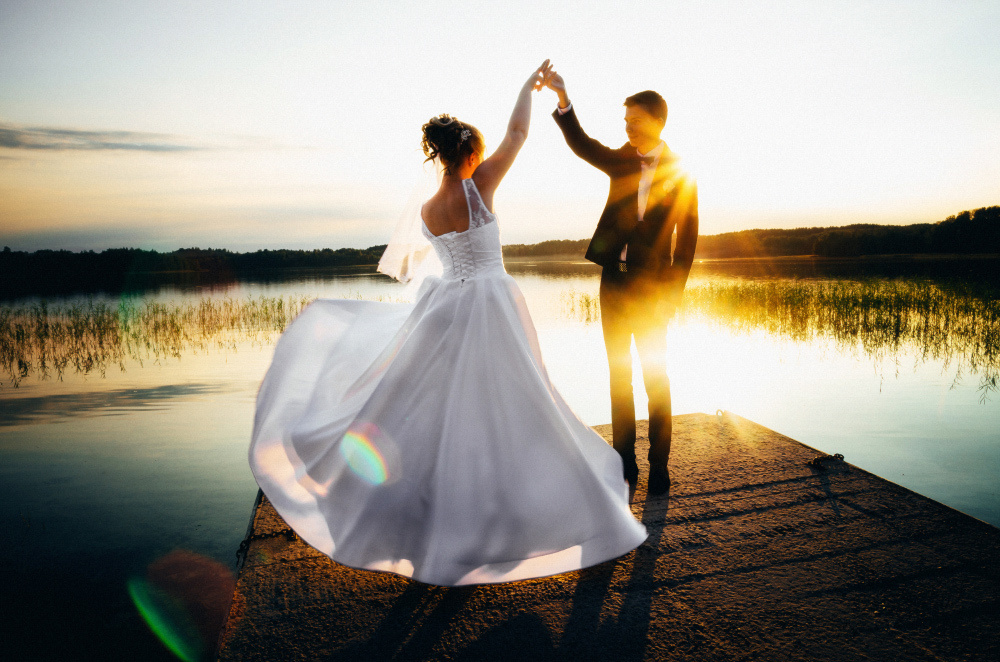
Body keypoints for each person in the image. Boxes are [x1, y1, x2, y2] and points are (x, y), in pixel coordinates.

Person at [248, 61, 646, 587]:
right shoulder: (480, 185)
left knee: (435, 421)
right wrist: (529, 88)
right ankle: (513, 519)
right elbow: (519, 133)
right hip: (492, 306)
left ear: (438, 153)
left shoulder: (429, 210)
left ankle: (427, 527)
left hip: (444, 312)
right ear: (470, 152)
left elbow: (445, 256)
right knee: (517, 412)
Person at [544, 69, 699, 496]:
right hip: (614, 283)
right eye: (624, 120)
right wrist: (563, 100)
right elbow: (584, 146)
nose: (626, 127)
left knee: (656, 378)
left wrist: (671, 297)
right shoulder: (622, 158)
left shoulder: (683, 172)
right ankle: (624, 464)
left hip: (652, 292)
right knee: (619, 376)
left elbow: (686, 243)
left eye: (633, 120)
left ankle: (660, 466)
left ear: (655, 121)